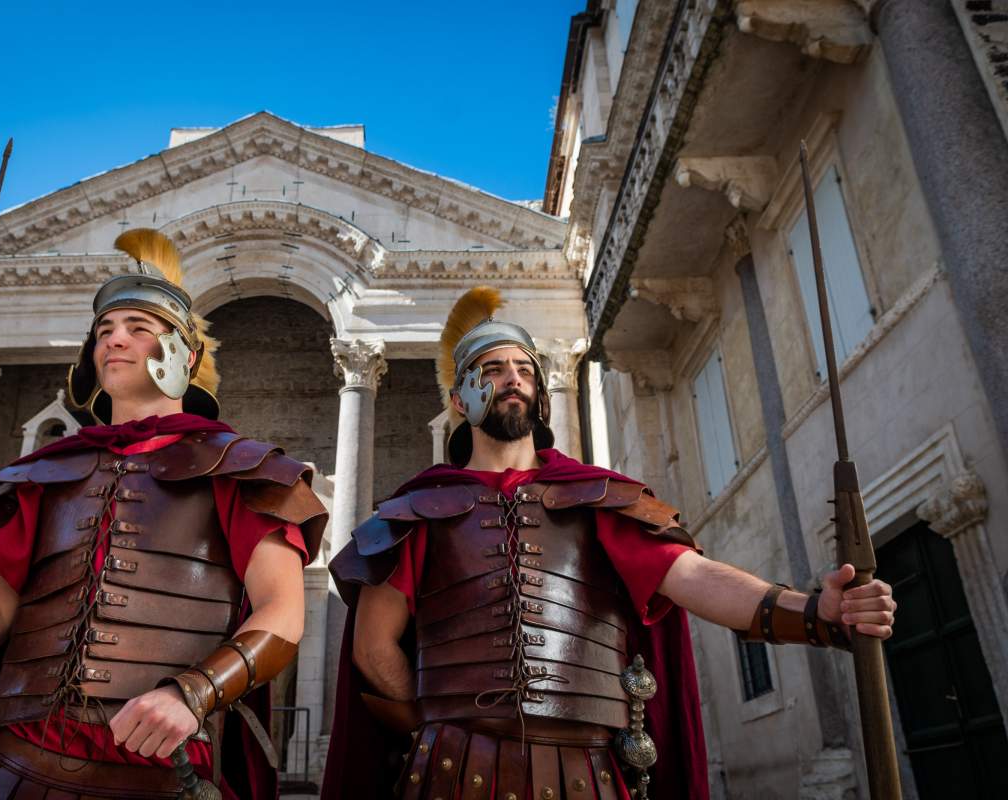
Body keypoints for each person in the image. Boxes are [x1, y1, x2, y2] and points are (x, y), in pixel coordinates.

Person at [323, 286, 895, 800]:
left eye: (525, 369)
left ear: (542, 395)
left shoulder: (599, 498)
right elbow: (373, 648)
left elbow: (694, 578)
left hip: (585, 773)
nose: (513, 378)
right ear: (459, 399)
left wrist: (816, 613)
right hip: (449, 772)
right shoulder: (416, 510)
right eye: (492, 369)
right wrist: (438, 726)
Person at [0, 230, 327, 799]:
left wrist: (192, 693)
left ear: (185, 354)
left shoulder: (244, 469)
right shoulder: (41, 474)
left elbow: (283, 615)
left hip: (161, 770)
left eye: (138, 328)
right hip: (14, 770)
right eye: (104, 331)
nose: (115, 340)